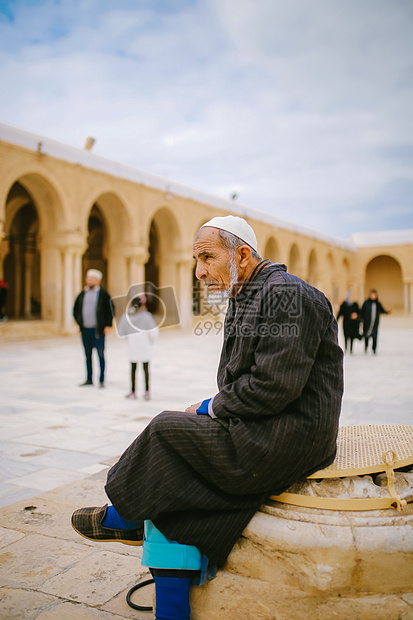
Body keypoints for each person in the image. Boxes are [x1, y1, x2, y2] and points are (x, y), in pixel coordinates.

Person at [71, 216, 343, 619]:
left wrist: (208, 408)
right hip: (266, 425)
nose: (199, 271)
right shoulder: (248, 295)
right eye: (195, 259)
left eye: (207, 257)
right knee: (169, 484)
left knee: (166, 431)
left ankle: (125, 516)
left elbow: (273, 387)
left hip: (289, 435)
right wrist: (213, 408)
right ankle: (170, 602)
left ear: (243, 255)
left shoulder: (285, 295)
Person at [73, 269, 113, 387]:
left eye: (92, 279)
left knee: (100, 355)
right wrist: (80, 322)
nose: (89, 281)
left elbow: (110, 310)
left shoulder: (103, 294)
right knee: (87, 356)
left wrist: (108, 325)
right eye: (88, 278)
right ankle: (89, 379)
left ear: (98, 281)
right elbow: (75, 309)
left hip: (98, 331)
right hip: (85, 330)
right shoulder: (82, 294)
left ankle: (101, 380)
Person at [117, 295, 159, 400]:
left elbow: (120, 332)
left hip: (132, 345)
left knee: (133, 368)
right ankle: (147, 391)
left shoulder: (126, 316)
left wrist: (128, 338)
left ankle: (132, 391)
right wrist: (151, 341)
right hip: (145, 345)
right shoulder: (146, 316)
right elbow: (154, 332)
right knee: (145, 368)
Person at [361, 289, 390, 354]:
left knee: (374, 336)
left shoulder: (378, 303)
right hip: (367, 323)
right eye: (372, 295)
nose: (373, 296)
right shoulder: (366, 303)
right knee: (366, 335)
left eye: (374, 295)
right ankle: (366, 347)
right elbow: (362, 312)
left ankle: (374, 349)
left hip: (375, 323)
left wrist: (387, 312)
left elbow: (382, 310)